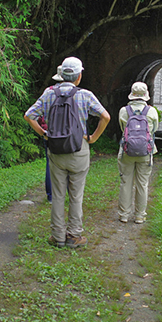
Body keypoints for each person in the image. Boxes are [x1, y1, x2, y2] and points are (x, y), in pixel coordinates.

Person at [24, 57, 110, 249]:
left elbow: (29, 115)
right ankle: (74, 235)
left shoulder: (49, 94)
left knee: (58, 194)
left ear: (61, 74)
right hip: (78, 149)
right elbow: (105, 116)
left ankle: (57, 236)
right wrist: (93, 138)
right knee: (76, 195)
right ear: (79, 76)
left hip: (55, 150)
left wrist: (44, 133)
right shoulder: (85, 95)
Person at [117, 82, 159, 224]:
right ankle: (140, 215)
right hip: (145, 153)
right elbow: (153, 131)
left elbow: (123, 129)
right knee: (142, 184)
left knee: (125, 182)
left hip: (127, 151)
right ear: (145, 95)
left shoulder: (124, 111)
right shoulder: (151, 111)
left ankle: (124, 214)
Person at [37, 66, 66, 204]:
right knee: (67, 164)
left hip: (49, 133)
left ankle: (50, 196)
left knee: (50, 164)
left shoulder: (48, 92)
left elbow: (35, 113)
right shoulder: (73, 92)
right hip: (67, 134)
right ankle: (64, 194)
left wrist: (42, 131)